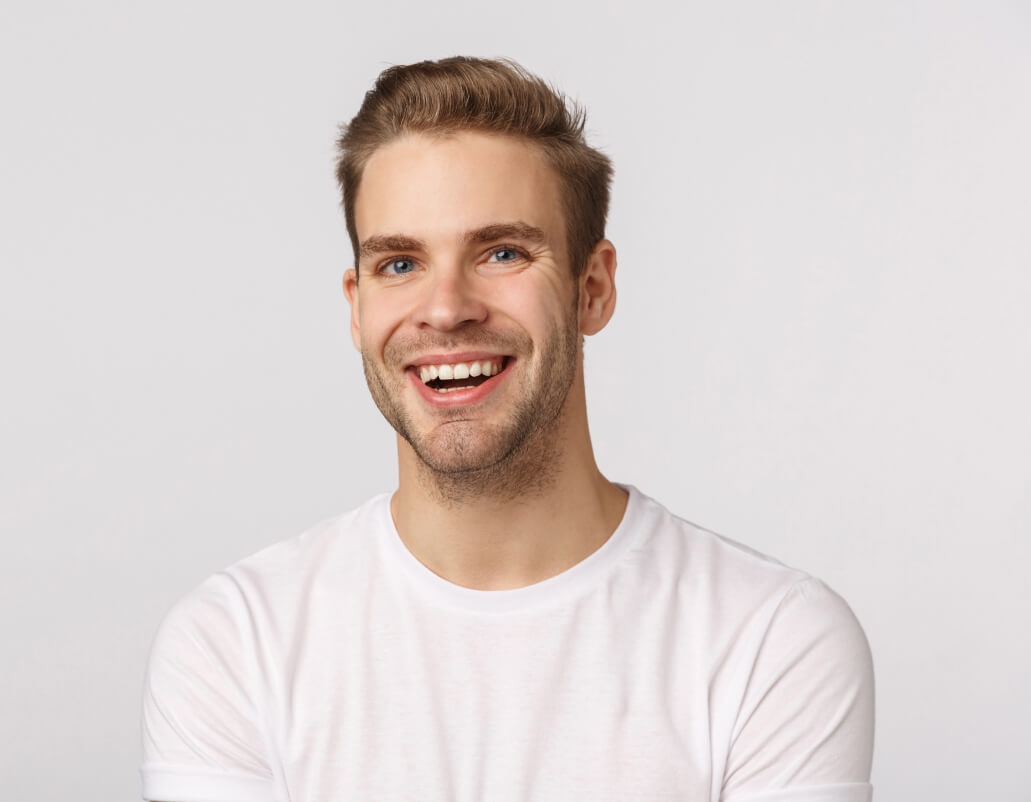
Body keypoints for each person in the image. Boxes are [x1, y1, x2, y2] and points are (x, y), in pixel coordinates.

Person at [140, 57, 875, 802]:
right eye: (400, 263)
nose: (445, 308)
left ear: (593, 289)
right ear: (356, 308)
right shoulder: (236, 642)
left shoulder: (769, 638)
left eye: (502, 253)